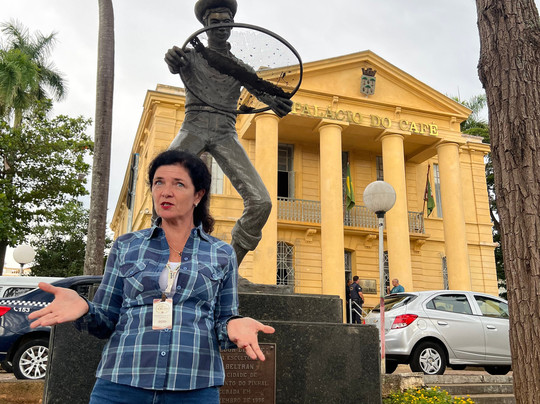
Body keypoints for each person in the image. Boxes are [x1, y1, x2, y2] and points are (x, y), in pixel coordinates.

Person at [29, 150, 274, 404]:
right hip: (121, 384)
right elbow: (105, 320)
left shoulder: (221, 253)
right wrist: (85, 309)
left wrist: (233, 325)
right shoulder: (126, 246)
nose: (166, 192)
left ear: (198, 195)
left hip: (194, 386)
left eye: (178, 184)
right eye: (159, 182)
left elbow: (224, 321)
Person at [164, 0, 293, 265]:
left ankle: (229, 269)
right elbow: (174, 62)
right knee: (163, 183)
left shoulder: (240, 68)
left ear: (233, 24)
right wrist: (171, 58)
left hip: (225, 132)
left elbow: (263, 92)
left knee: (261, 202)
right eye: (215, 22)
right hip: (193, 127)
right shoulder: (190, 57)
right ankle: (162, 256)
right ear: (205, 24)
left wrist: (279, 102)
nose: (221, 27)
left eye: (226, 22)